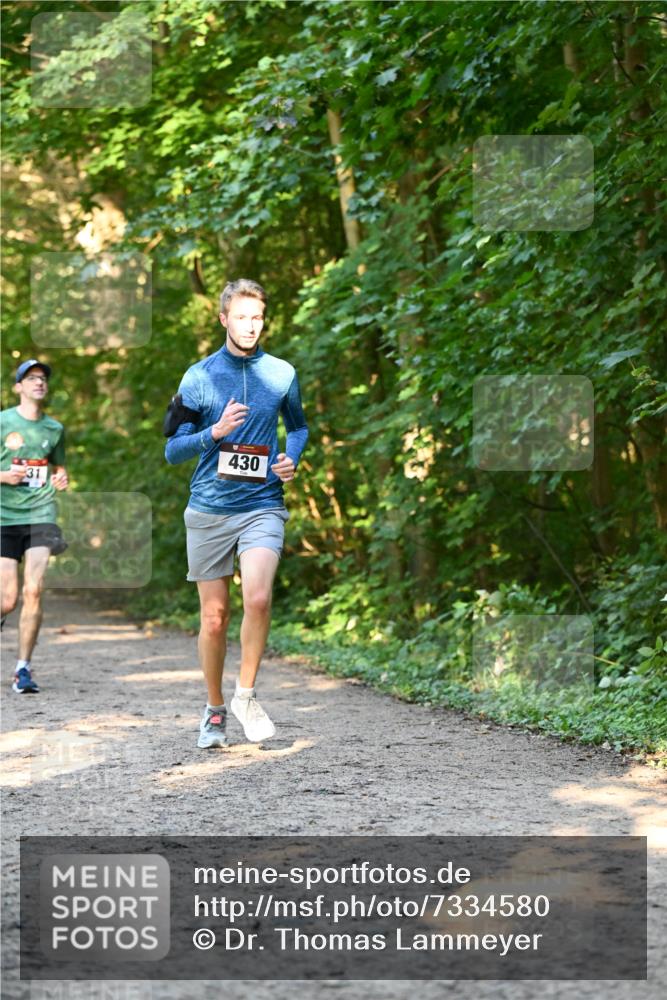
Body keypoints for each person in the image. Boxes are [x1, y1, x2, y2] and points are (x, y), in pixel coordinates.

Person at [165, 279, 308, 749]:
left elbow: (299, 427)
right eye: (241, 317)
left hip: (262, 503)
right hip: (209, 509)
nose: (250, 326)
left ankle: (245, 695)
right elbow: (172, 450)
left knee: (260, 598)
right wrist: (216, 432)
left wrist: (291, 458)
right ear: (223, 319)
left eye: (257, 318)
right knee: (214, 618)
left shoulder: (282, 373)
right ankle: (214, 709)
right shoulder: (199, 377)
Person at [1, 360, 69, 693]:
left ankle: (22, 669)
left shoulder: (54, 428)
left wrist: (61, 477)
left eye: (43, 378)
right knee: (8, 599)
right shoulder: (3, 422)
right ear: (19, 387)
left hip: (41, 514)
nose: (39, 383)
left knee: (33, 590)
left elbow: (60, 468)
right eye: (31, 378)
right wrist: (4, 476)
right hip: (4, 518)